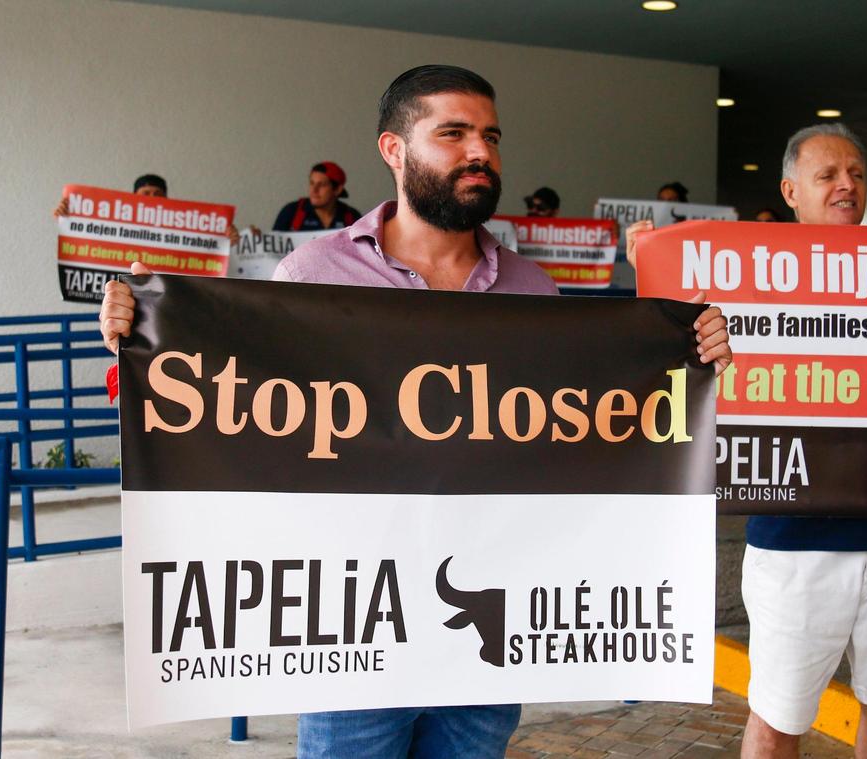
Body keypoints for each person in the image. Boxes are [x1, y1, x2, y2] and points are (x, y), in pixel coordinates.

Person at [99, 63, 733, 758]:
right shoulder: (312, 275)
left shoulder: (533, 292)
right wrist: (143, 331)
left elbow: (593, 429)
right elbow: (232, 406)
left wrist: (688, 352)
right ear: (393, 150)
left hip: (487, 630)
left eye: (490, 136)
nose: (480, 152)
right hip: (352, 630)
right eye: (453, 133)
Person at [741, 123, 867, 759]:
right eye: (828, 176)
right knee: (775, 726)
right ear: (791, 191)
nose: (846, 184)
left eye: (856, 173)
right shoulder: (744, 280)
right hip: (794, 542)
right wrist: (654, 258)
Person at [54, 173, 241, 244]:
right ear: (133, 198)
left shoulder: (185, 227)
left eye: (157, 194)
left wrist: (225, 241)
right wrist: (69, 219)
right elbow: (90, 237)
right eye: (145, 194)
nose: (151, 199)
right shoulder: (115, 223)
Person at [272, 161, 362, 231]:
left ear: (337, 189)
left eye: (321, 185)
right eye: (312, 183)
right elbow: (273, 250)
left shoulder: (351, 217)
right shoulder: (291, 212)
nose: (314, 190)